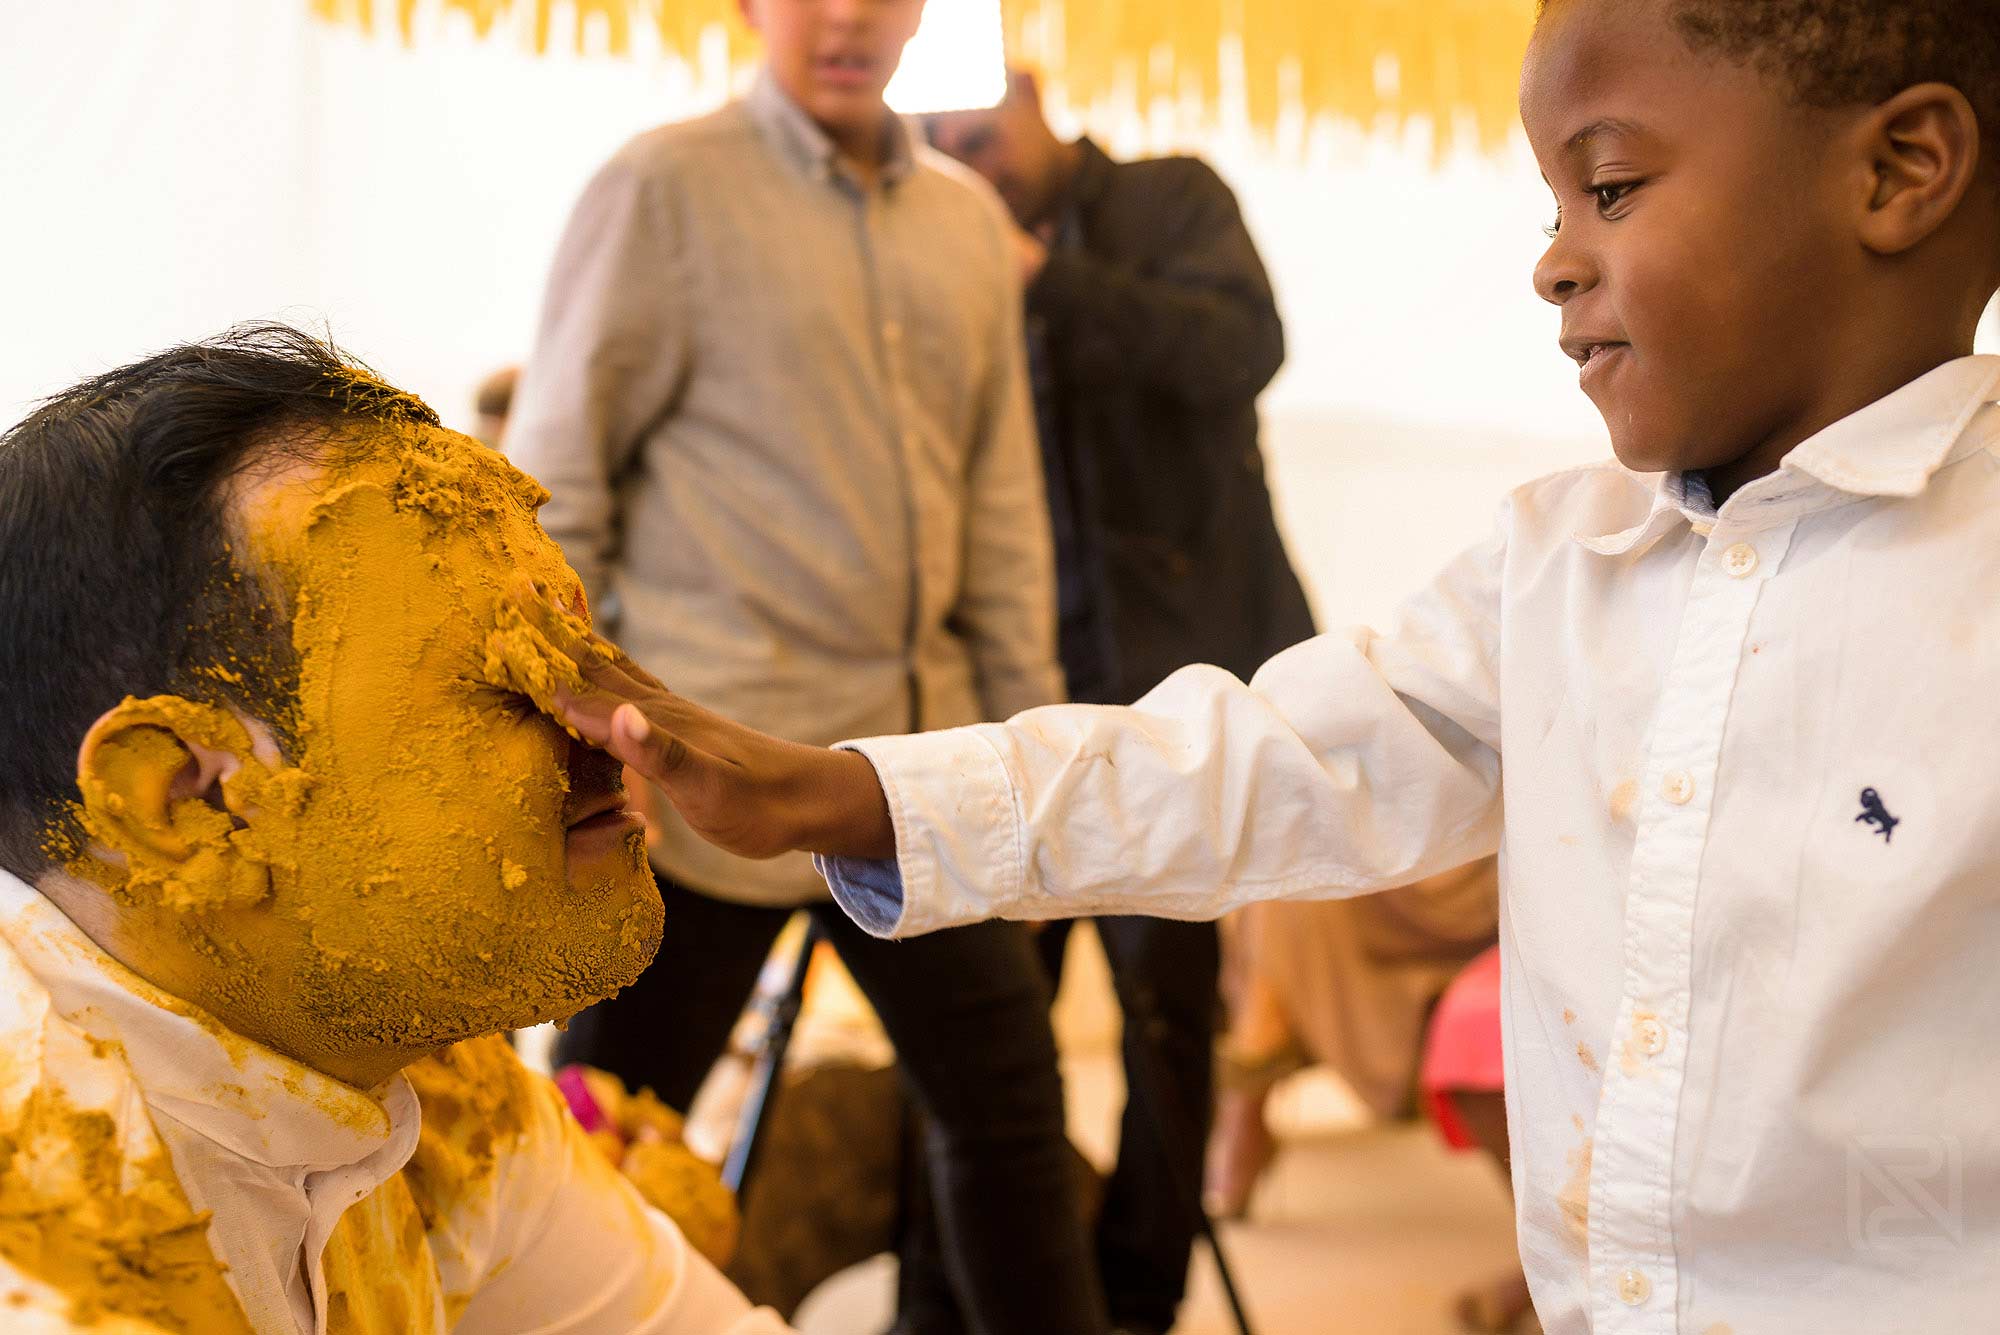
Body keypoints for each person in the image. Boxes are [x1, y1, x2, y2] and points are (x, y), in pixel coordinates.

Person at [512, 1, 2000, 1329]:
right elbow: (1259, 756)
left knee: (1009, 1128)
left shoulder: (1048, 227)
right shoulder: (1560, 563)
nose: (1553, 262)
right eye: (1551, 203)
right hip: (802, 768)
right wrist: (849, 790)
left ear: (1897, 171)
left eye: (1607, 188)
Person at [503, 1, 1108, 1330]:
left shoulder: (962, 220)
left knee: (1009, 1120)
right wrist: (599, 754)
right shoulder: (661, 189)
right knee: (595, 1157)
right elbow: (554, 498)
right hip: (697, 786)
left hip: (914, 778)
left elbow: (1004, 512)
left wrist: (1030, 777)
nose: (847, 16)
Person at [0, 325, 785, 1333]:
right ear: (187, 803)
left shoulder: (420, 1082)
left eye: (577, 656)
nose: (609, 741)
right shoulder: (49, 1267)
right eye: (500, 686)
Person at [924, 71, 1317, 1335]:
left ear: (1030, 101)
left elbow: (1240, 351)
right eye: (942, 153)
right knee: (982, 1038)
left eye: (981, 138)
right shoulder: (937, 255)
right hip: (1007, 710)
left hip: (1175, 708)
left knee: (1163, 1030)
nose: (970, 167)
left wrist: (1042, 279)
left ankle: (1136, 1303)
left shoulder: (1169, 199)